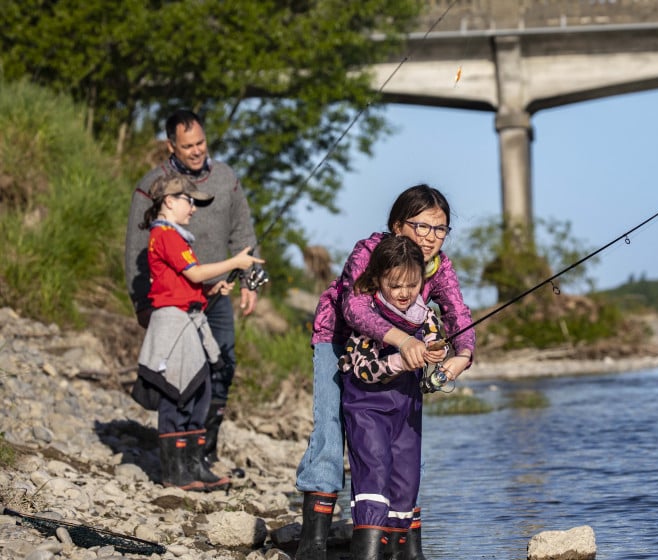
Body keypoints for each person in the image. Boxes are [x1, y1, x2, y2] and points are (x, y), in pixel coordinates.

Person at [289, 184, 475, 560]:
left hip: (397, 355)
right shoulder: (368, 251)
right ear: (397, 225)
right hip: (338, 339)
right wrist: (404, 341)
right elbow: (354, 308)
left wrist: (463, 355)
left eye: (439, 229)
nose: (429, 237)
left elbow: (458, 313)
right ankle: (313, 544)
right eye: (420, 226)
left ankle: (398, 541)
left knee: (402, 440)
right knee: (330, 429)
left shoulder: (441, 268)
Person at [124, 109, 264, 466]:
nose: (197, 150)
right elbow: (135, 247)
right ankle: (182, 451)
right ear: (172, 145)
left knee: (223, 364)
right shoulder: (156, 185)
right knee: (182, 372)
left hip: (216, 294)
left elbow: (243, 232)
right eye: (188, 146)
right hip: (175, 300)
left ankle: (205, 447)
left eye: (200, 142)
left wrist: (249, 280)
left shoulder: (226, 178)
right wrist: (140, 301)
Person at [339, 235, 447, 559]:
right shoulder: (368, 317)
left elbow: (438, 342)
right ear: (378, 280)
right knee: (375, 470)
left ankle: (399, 551)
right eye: (395, 285)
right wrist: (400, 359)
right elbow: (363, 369)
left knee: (406, 478)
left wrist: (437, 357)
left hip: (407, 411)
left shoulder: (425, 315)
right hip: (366, 409)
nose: (403, 293)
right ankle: (368, 552)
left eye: (411, 286)